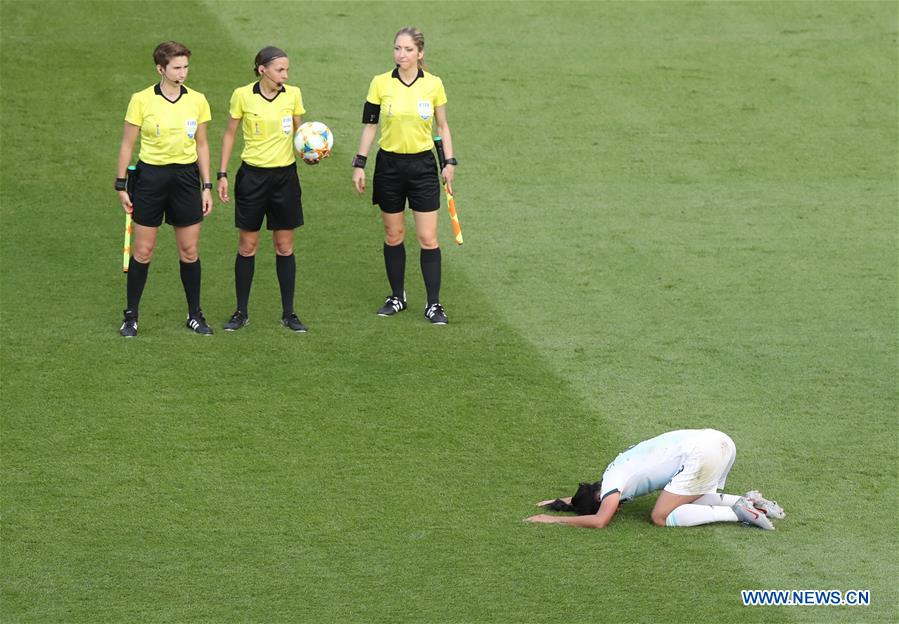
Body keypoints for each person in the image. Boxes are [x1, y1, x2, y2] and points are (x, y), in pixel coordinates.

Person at [352, 26, 457, 325]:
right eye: (398, 48)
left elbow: (442, 127)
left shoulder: (434, 85)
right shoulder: (379, 84)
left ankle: (434, 304)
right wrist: (359, 163)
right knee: (394, 234)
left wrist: (449, 162)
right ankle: (397, 296)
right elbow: (370, 125)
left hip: (423, 167)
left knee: (428, 237)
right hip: (389, 167)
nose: (402, 54)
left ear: (420, 53)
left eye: (408, 49)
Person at [115, 41, 214, 337]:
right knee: (143, 251)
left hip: (186, 179)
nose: (183, 73)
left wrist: (206, 186)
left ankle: (194, 314)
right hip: (151, 180)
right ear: (161, 68)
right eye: (177, 67)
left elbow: (202, 144)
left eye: (186, 67)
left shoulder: (197, 100)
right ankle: (131, 316)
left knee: (190, 250)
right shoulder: (141, 100)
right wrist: (121, 184)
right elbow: (127, 145)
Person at [217, 46, 310, 333]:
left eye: (287, 70)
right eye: (280, 69)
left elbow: (300, 133)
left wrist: (312, 150)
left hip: (285, 179)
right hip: (252, 178)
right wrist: (222, 174)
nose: (285, 74)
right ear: (262, 70)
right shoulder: (242, 95)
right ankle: (241, 312)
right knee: (248, 246)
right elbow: (230, 133)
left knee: (285, 246)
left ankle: (289, 313)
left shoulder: (293, 95)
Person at [526, 429, 786, 530]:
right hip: (721, 440)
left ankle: (738, 513)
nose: (614, 510)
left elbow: (599, 520)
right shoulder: (612, 473)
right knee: (689, 495)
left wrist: (553, 519)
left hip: (701, 454)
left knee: (660, 517)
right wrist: (559, 502)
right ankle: (748, 500)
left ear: (599, 498)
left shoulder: (612, 488)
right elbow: (587, 500)